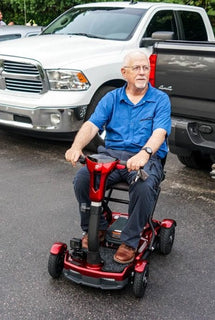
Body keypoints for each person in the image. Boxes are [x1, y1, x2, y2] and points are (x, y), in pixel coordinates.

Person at [64, 50, 171, 264]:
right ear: (124, 72)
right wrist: (76, 147)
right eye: (136, 68)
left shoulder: (160, 99)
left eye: (145, 68)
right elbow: (92, 125)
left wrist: (145, 153)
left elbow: (160, 132)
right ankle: (97, 226)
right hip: (111, 156)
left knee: (144, 185)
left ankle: (130, 242)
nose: (142, 73)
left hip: (145, 158)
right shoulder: (111, 98)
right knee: (83, 180)